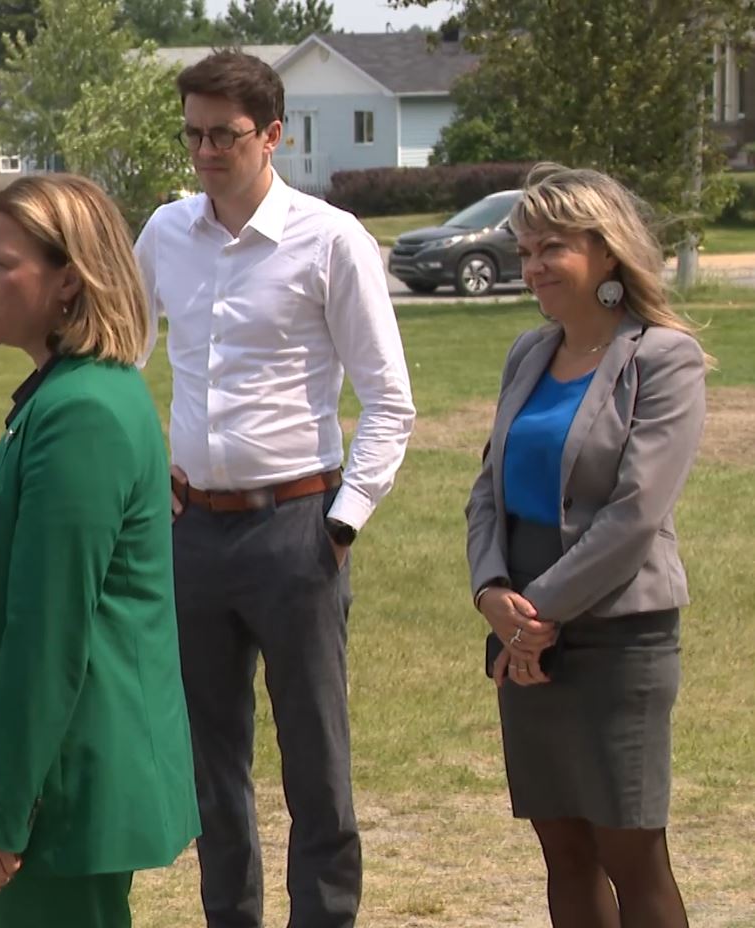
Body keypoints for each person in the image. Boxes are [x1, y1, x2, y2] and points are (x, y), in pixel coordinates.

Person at [135, 51, 415, 928]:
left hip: (298, 526)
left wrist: (344, 520)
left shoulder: (330, 240)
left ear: (273, 136)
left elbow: (390, 399)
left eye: (226, 134)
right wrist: (151, 470)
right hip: (194, 533)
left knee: (315, 761)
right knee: (210, 765)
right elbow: (119, 359)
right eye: (194, 133)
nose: (208, 150)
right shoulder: (165, 233)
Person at [0, 174, 200, 928]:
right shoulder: (65, 395)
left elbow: (49, 633)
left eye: (0, 264)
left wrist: (5, 808)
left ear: (69, 280)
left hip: (66, 787)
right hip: (64, 780)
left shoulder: (81, 411)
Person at [466, 164, 705, 928]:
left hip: (617, 636)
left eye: (552, 248)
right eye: (526, 248)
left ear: (606, 253)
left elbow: (635, 514)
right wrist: (491, 595)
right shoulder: (528, 354)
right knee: (562, 853)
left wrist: (536, 614)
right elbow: (486, 491)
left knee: (634, 856)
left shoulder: (663, 358)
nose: (532, 266)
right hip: (521, 633)